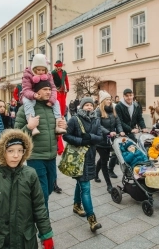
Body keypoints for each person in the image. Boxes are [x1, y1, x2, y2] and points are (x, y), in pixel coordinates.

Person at [0, 129, 54, 249]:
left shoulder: (31, 174)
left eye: (20, 151)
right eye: (10, 151)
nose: (16, 155)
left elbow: (39, 207)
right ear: (3, 152)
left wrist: (46, 234)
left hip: (25, 242)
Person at [15, 80, 67, 209]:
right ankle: (44, 227)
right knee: (42, 194)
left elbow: (55, 132)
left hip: (51, 156)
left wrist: (62, 126)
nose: (48, 92)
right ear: (36, 91)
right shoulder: (25, 109)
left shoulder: (52, 107)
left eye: (49, 89)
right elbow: (16, 136)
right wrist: (29, 127)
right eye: (44, 89)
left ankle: (33, 210)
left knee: (49, 189)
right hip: (36, 157)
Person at [63, 97, 102, 232]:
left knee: (81, 182)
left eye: (91, 105)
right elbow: (66, 136)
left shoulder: (96, 119)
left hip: (90, 157)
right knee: (85, 186)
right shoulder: (74, 119)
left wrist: (90, 138)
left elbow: (100, 136)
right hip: (77, 158)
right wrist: (80, 141)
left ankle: (76, 205)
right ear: (81, 106)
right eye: (87, 105)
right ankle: (92, 219)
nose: (89, 107)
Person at [21, 54, 65, 136]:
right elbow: (26, 89)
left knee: (56, 102)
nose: (41, 72)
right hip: (30, 95)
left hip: (42, 98)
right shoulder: (28, 74)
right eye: (39, 70)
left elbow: (53, 88)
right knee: (28, 102)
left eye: (43, 70)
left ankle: (58, 125)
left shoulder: (48, 75)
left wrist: (51, 100)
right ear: (34, 68)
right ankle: (33, 125)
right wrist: (34, 95)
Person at [109, 88, 147, 178]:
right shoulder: (119, 106)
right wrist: (130, 129)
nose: (129, 97)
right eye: (127, 96)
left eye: (130, 95)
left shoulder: (136, 105)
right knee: (117, 151)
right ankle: (110, 169)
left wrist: (143, 127)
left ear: (133, 95)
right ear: (124, 96)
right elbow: (120, 121)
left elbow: (139, 118)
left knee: (133, 149)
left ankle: (133, 167)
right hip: (121, 132)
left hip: (131, 132)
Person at [94, 90, 124, 193]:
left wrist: (121, 131)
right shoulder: (98, 111)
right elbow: (98, 125)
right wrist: (108, 132)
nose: (109, 101)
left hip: (110, 140)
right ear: (102, 101)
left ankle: (95, 173)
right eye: (107, 99)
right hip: (101, 140)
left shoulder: (113, 110)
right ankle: (109, 184)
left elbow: (118, 123)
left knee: (103, 159)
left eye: (110, 99)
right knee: (104, 161)